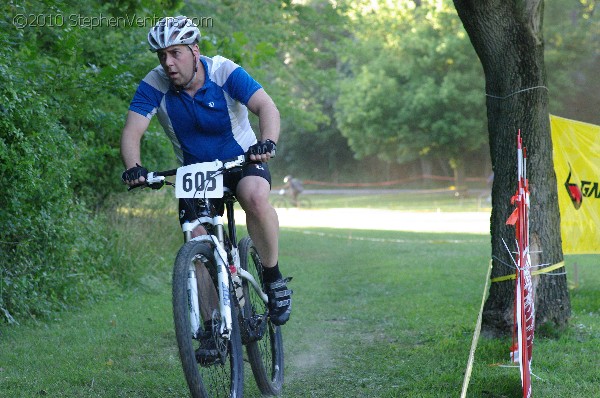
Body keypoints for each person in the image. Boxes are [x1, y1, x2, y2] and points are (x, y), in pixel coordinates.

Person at [119, 16, 292, 357]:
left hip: (242, 160)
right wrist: (134, 168)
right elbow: (132, 131)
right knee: (195, 243)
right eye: (162, 55)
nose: (168, 62)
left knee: (255, 198)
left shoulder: (224, 71)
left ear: (195, 51)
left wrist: (267, 142)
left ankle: (272, 277)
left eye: (176, 53)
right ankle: (213, 327)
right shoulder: (154, 84)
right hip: (195, 173)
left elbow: (265, 106)